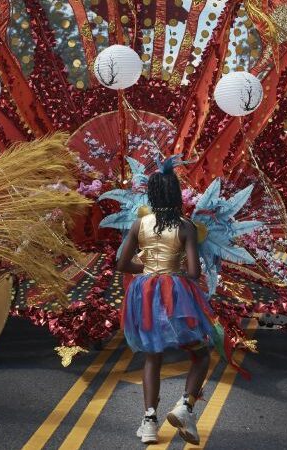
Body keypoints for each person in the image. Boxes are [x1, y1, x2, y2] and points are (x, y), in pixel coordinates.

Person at [117, 164, 218, 446]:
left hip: (145, 294)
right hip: (177, 295)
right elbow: (195, 273)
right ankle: (185, 406)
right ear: (176, 196)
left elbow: (122, 264)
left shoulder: (140, 224)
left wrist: (146, 268)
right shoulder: (186, 227)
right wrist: (172, 272)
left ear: (151, 195)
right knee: (201, 353)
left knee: (152, 356)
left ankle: (149, 422)